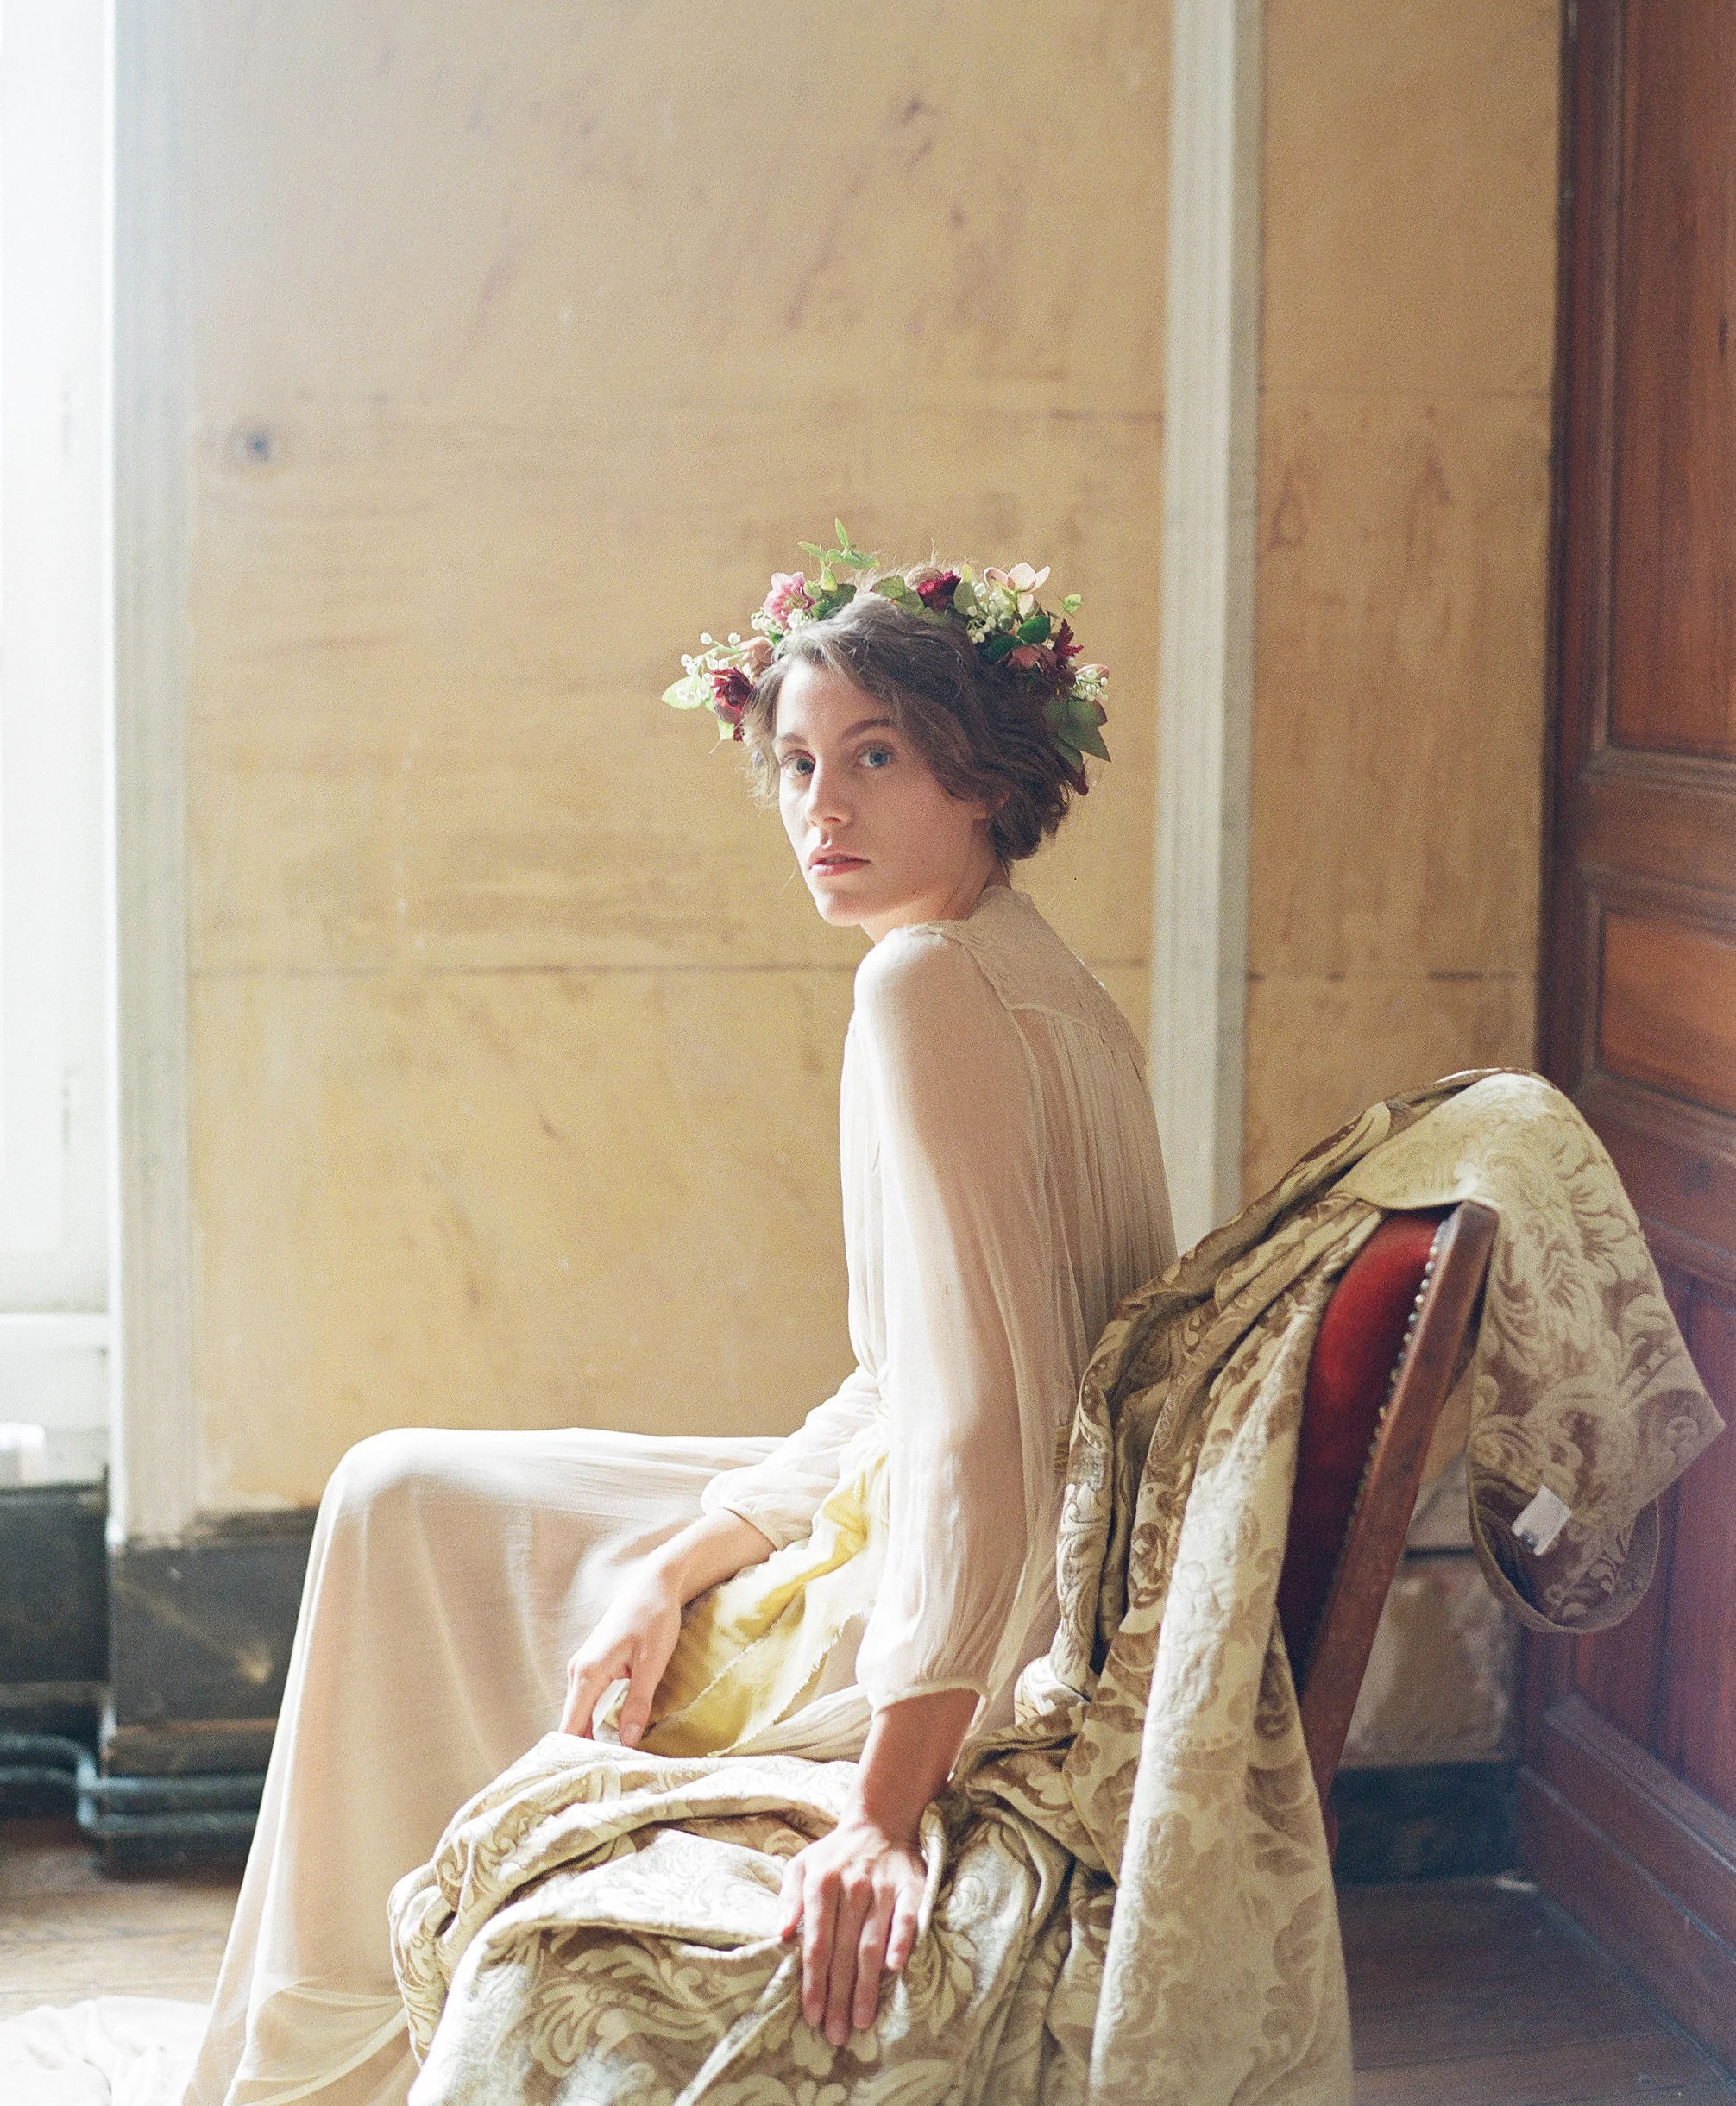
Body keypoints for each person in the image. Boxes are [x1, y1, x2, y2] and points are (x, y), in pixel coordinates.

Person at [5, 533, 1173, 2106]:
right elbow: (911, 1384)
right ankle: (342, 2028)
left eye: (877, 758)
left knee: (411, 1517)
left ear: (983, 774)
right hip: (970, 1528)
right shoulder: (1032, 979)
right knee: (407, 1488)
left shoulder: (927, 993)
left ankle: (329, 2052)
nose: (822, 809)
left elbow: (979, 1435)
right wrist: (679, 1556)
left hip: (965, 1595)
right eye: (799, 762)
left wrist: (883, 1810)